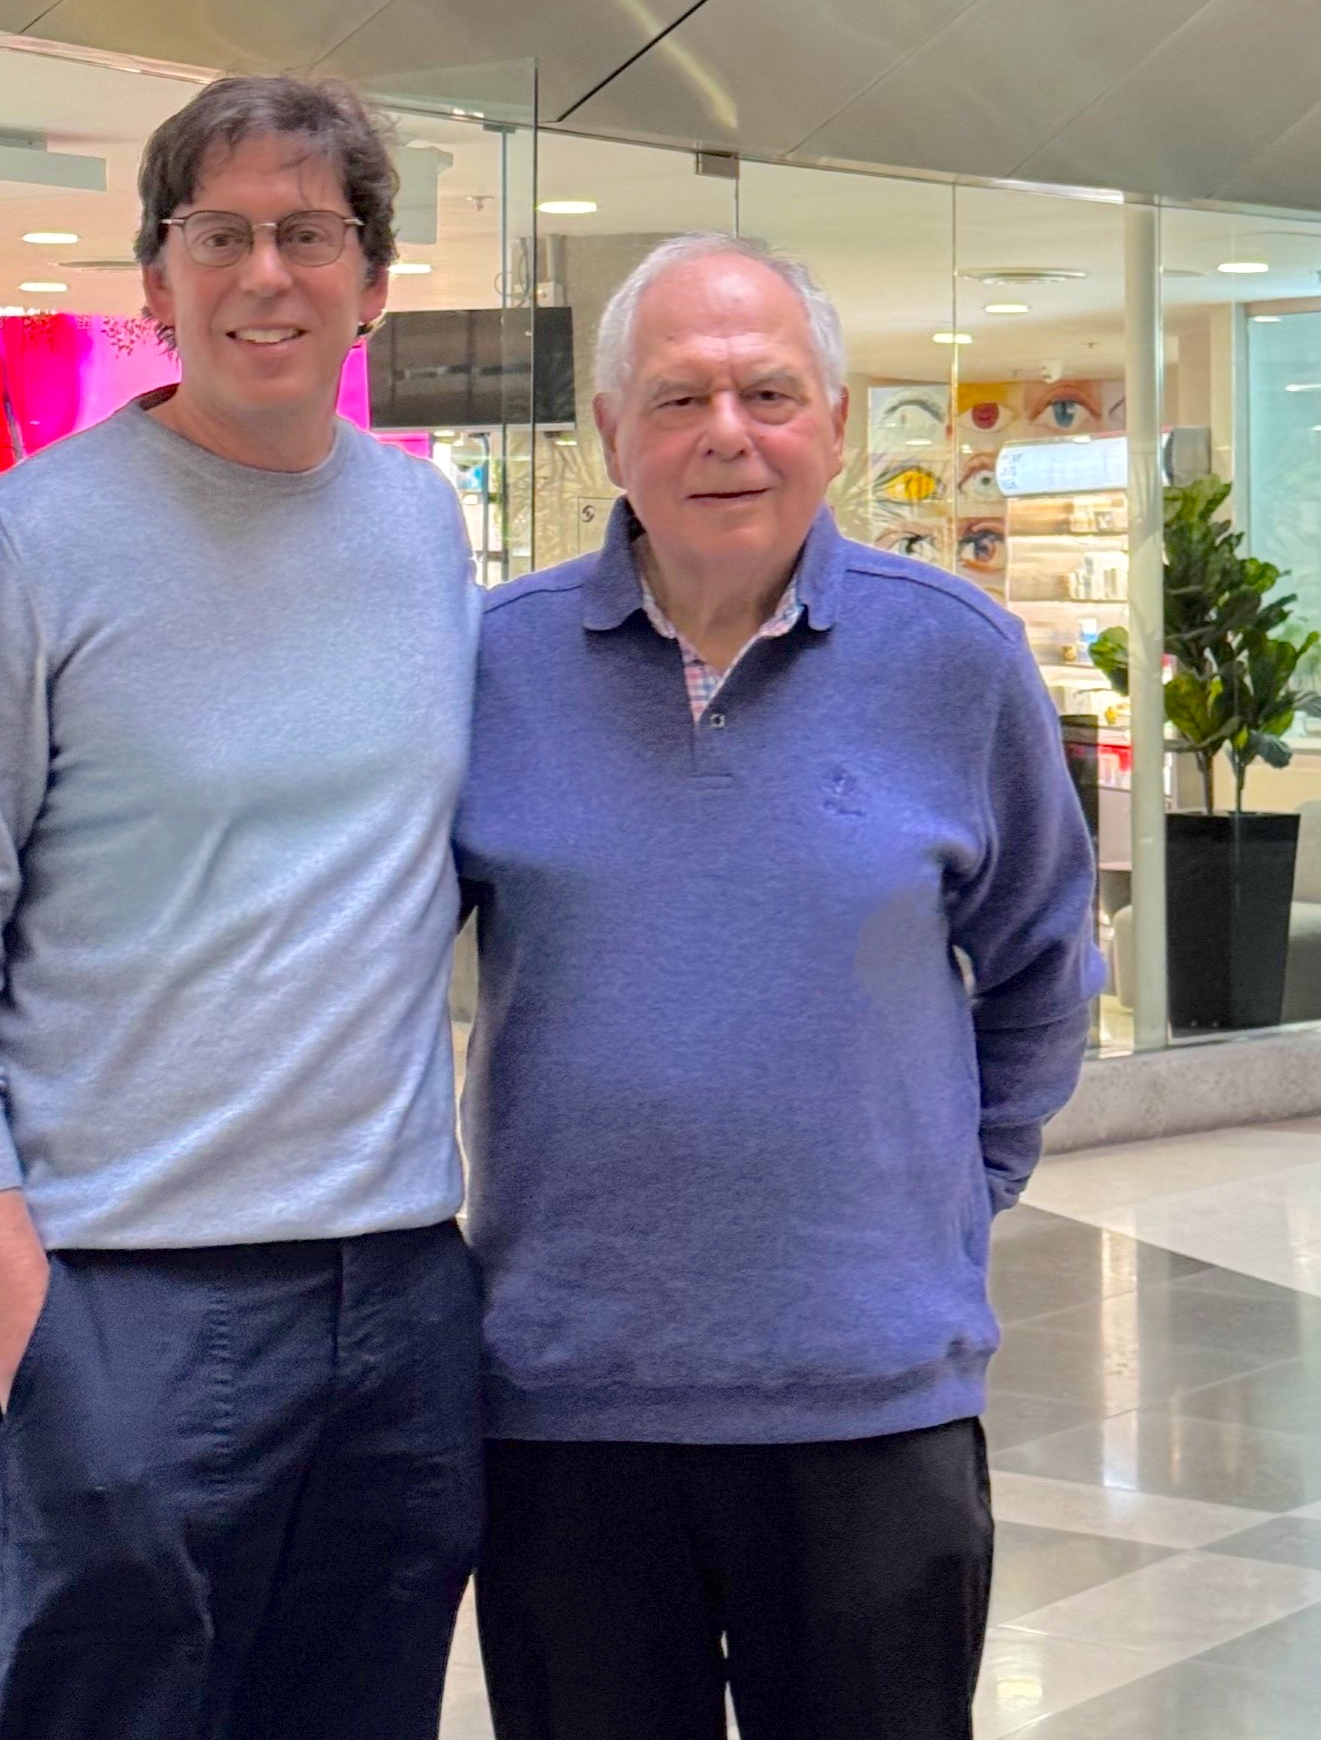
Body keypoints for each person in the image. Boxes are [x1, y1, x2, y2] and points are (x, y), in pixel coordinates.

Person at [0, 76, 483, 1740]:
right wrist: (36, 1352)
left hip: (396, 1297)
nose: (268, 272)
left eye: (310, 233)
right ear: (155, 280)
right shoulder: (20, 552)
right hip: (121, 1298)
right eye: (223, 233)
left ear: (374, 281)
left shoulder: (425, 527)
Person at [455, 231, 1104, 1740]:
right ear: (608, 432)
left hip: (870, 1402)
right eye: (675, 399)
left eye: (766, 391)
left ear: (829, 416)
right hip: (568, 1409)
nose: (724, 435)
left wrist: (947, 1188)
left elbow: (1039, 960)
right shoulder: (492, 665)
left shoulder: (955, 658)